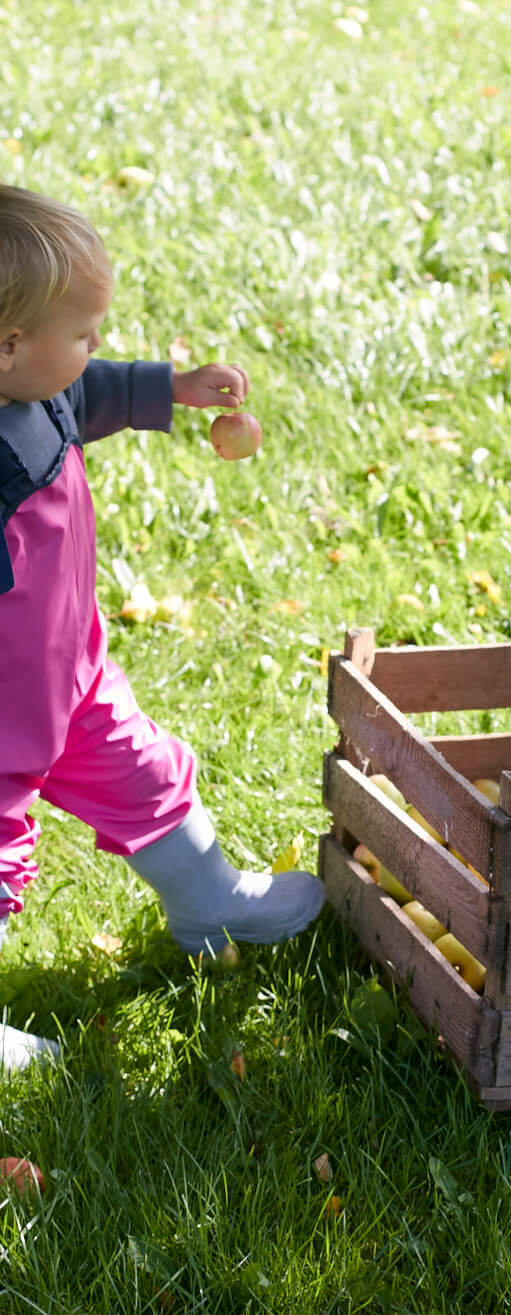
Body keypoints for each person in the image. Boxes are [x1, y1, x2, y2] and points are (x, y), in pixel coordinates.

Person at [0, 184, 325, 1067]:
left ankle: (210, 899)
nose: (95, 348)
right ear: (8, 345)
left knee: (141, 771)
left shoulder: (36, 387)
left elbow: (81, 395)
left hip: (67, 671)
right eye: (84, 334)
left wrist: (167, 388)